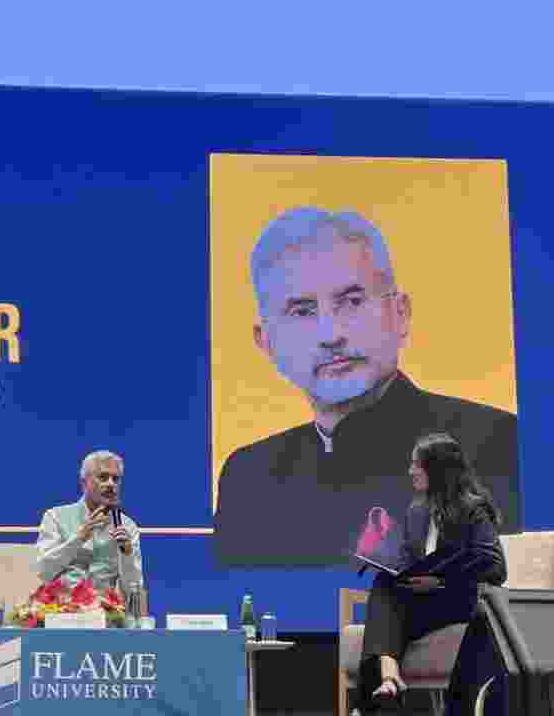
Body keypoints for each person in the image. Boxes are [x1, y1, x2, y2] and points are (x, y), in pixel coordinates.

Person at [214, 206, 519, 565]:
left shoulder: (493, 442)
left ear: (401, 313)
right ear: (265, 341)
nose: (331, 335)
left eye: (353, 302)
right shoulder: (250, 477)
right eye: (302, 310)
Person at [329, 431, 508, 716]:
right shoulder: (417, 510)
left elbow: (495, 566)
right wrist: (385, 562)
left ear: (437, 469)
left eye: (416, 465)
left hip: (454, 601)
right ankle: (388, 676)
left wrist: (439, 580)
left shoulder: (473, 509)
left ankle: (365, 711)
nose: (410, 472)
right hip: (417, 601)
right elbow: (410, 558)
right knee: (385, 583)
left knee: (385, 602)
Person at [34, 450, 146, 593]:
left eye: (116, 479)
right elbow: (43, 572)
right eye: (103, 477)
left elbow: (133, 590)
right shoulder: (55, 517)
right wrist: (79, 538)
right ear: (84, 482)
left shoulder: (127, 526)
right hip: (61, 609)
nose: (111, 484)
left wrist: (127, 555)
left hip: (106, 610)